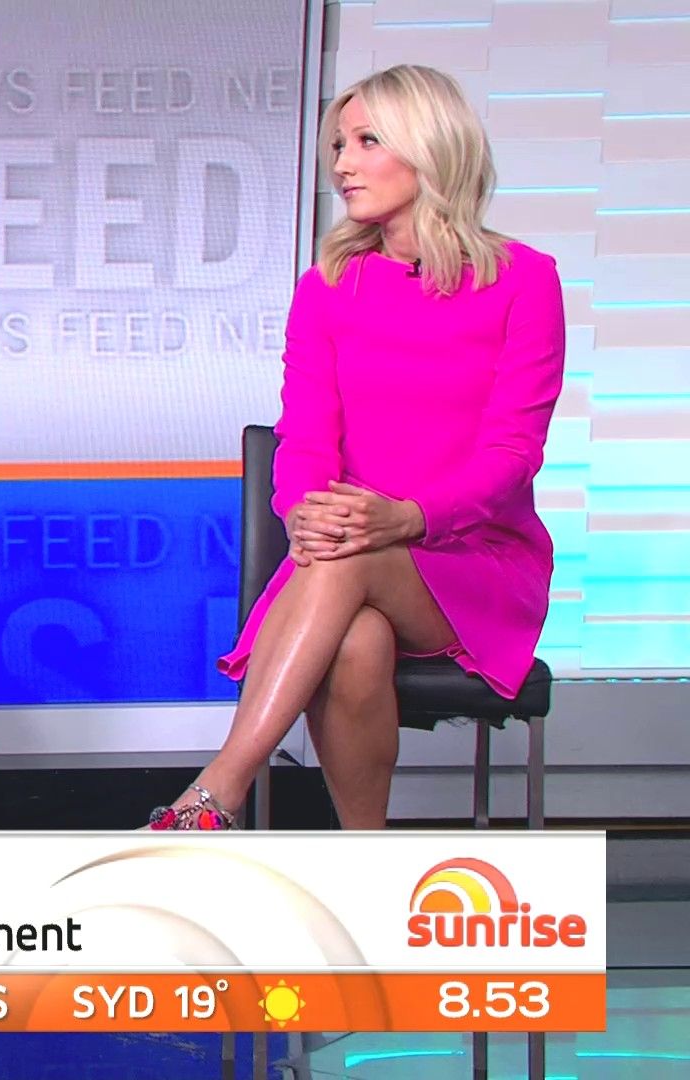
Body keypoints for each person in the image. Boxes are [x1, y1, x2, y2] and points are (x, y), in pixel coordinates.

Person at [153, 64, 565, 831]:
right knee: (355, 637)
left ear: (430, 147)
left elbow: (514, 454)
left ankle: (213, 795)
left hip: (474, 560)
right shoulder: (328, 286)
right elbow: (305, 435)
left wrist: (408, 518)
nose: (342, 163)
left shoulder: (524, 281)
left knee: (344, 562)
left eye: (367, 141)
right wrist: (305, 512)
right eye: (339, 144)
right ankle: (365, 861)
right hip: (344, 552)